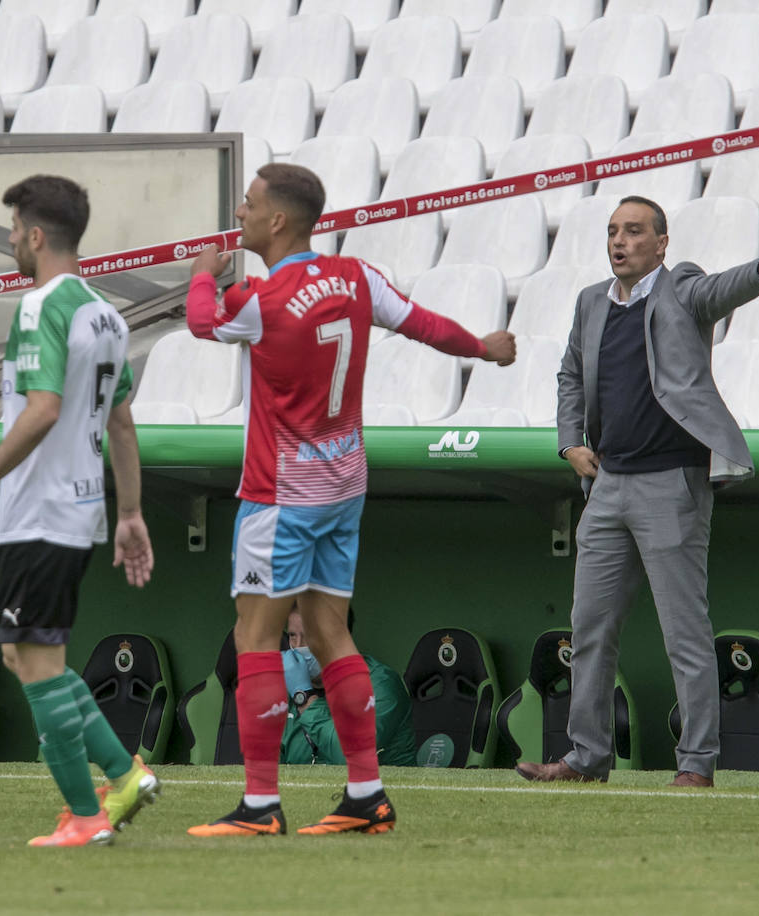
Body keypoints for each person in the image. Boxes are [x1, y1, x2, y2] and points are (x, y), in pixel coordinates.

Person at [184, 163, 516, 837]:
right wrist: (481, 346)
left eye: (248, 205)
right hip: (343, 483)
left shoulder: (258, 298)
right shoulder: (356, 278)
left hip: (279, 494)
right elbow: (421, 323)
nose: (239, 215)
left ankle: (258, 806)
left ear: (278, 220)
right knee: (332, 633)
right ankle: (366, 795)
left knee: (256, 638)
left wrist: (202, 270)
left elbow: (199, 322)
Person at [518, 195, 759, 788]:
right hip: (607, 487)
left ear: (661, 244)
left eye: (634, 231)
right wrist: (569, 442)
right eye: (613, 231)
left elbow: (720, 291)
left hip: (672, 483)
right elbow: (571, 374)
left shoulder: (683, 287)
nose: (619, 241)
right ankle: (586, 757)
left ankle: (696, 764)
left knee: (685, 632)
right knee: (589, 627)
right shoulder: (590, 302)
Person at [0, 174, 157, 848]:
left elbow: (44, 408)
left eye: (12, 229)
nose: (7, 241)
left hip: (39, 512)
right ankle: (122, 774)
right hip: (78, 514)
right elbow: (122, 423)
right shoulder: (107, 315)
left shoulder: (40, 307)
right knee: (27, 655)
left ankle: (89, 815)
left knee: (38, 667)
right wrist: (130, 513)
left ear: (35, 235)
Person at [281, 606, 416, 768]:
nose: (298, 646)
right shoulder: (287, 686)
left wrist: (304, 697)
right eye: (292, 636)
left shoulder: (380, 684)